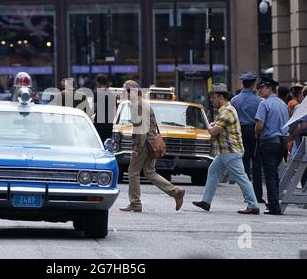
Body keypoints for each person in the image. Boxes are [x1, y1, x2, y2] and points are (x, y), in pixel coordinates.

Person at [193, 83, 260, 214]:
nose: (212, 101)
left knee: (241, 178)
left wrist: (209, 127)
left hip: (230, 151)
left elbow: (214, 131)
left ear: (219, 97)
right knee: (213, 171)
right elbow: (218, 127)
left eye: (213, 98)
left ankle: (253, 205)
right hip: (226, 151)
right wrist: (213, 126)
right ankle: (206, 202)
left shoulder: (226, 111)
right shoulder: (225, 110)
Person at [119, 80, 185, 213]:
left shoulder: (137, 105)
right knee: (150, 173)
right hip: (151, 143)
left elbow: (141, 130)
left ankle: (135, 203)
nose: (125, 94)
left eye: (126, 91)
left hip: (144, 144)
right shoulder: (143, 103)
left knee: (133, 172)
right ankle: (175, 191)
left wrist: (136, 149)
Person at [255, 77, 289, 215]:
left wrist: (257, 133)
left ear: (269, 88)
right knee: (274, 174)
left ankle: (274, 206)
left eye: (261, 88)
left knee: (270, 174)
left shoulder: (264, 104)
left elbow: (260, 125)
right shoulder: (283, 104)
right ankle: (274, 203)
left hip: (269, 142)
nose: (259, 91)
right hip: (282, 142)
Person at [230, 71, 264, 203]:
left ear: (243, 83)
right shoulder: (259, 101)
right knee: (256, 163)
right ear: (253, 84)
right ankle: (257, 195)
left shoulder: (234, 100)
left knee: (243, 164)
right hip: (254, 131)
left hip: (240, 132)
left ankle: (247, 195)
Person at [93, 74, 116, 143]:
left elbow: (94, 108)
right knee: (107, 144)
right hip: (109, 124)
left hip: (99, 125)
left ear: (98, 83)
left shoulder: (98, 94)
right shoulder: (111, 94)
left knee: (100, 143)